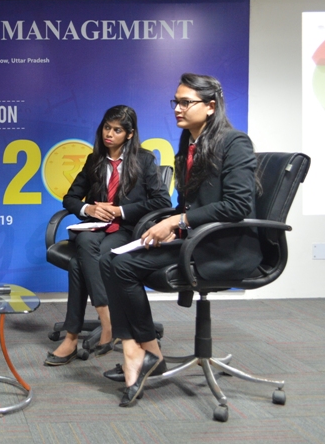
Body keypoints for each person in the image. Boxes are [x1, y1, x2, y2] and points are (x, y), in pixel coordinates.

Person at [100, 73, 262, 407]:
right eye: (176, 101)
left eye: (186, 102)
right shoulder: (189, 142)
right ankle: (142, 350)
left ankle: (143, 354)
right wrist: (174, 224)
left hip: (225, 247)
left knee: (123, 266)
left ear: (211, 106)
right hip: (196, 240)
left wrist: (179, 221)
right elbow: (191, 205)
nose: (177, 108)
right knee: (111, 259)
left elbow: (237, 206)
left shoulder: (235, 142)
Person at [45, 105, 171, 367]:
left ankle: (71, 338)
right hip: (95, 227)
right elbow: (70, 198)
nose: (109, 134)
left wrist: (120, 211)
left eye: (117, 130)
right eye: (106, 128)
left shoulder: (144, 160)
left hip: (127, 229)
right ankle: (107, 321)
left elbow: (162, 201)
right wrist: (88, 208)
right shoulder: (94, 160)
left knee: (80, 262)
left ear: (129, 134)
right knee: (86, 242)